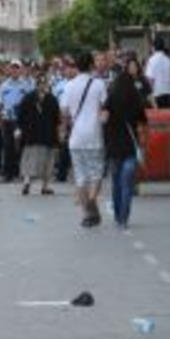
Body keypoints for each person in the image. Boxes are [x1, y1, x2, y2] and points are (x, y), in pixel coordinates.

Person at [61, 51, 108, 228]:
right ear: (91, 65)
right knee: (96, 174)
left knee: (80, 177)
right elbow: (104, 109)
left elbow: (64, 113)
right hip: (94, 135)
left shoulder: (69, 86)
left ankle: (87, 214)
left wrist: (64, 129)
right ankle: (91, 203)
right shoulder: (99, 84)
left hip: (76, 137)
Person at [103, 60, 148, 229]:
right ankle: (124, 217)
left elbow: (103, 118)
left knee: (116, 183)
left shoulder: (111, 97)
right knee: (127, 184)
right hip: (130, 147)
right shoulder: (136, 98)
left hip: (114, 148)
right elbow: (143, 121)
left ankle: (117, 215)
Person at [16, 75, 60, 196]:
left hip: (45, 134)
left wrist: (58, 133)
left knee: (46, 161)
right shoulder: (29, 98)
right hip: (34, 134)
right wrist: (19, 129)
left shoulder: (51, 99)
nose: (43, 86)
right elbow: (21, 115)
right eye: (41, 84)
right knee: (32, 159)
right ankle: (28, 183)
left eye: (44, 84)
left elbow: (56, 118)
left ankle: (42, 185)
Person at [0, 60, 33, 182]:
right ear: (9, 69)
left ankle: (21, 172)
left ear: (20, 70)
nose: (14, 70)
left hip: (21, 120)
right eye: (12, 68)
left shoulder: (26, 85)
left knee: (21, 146)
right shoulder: (4, 85)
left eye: (17, 68)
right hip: (7, 119)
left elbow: (31, 103)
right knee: (8, 146)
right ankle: (8, 173)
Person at [145, 34, 170, 108]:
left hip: (157, 93)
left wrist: (150, 93)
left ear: (153, 47)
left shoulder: (151, 60)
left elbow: (150, 79)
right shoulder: (169, 60)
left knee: (159, 115)